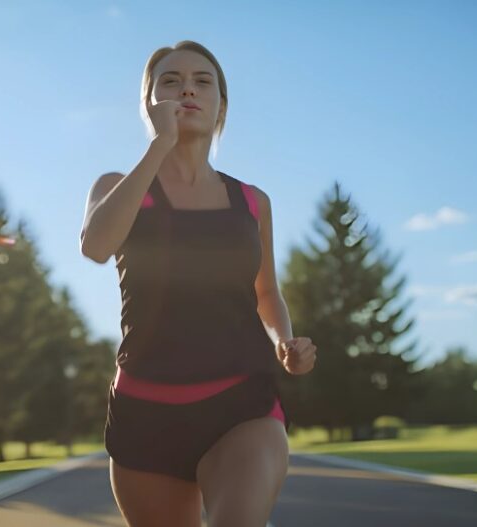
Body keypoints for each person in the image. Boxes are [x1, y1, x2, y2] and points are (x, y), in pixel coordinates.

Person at [79, 40, 317, 527]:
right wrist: (159, 145)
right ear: (149, 103)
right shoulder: (116, 187)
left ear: (220, 106)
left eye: (202, 81)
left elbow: (266, 292)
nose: (187, 87)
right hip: (145, 414)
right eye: (170, 80)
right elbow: (96, 246)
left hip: (242, 403)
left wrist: (283, 341)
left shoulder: (253, 202)